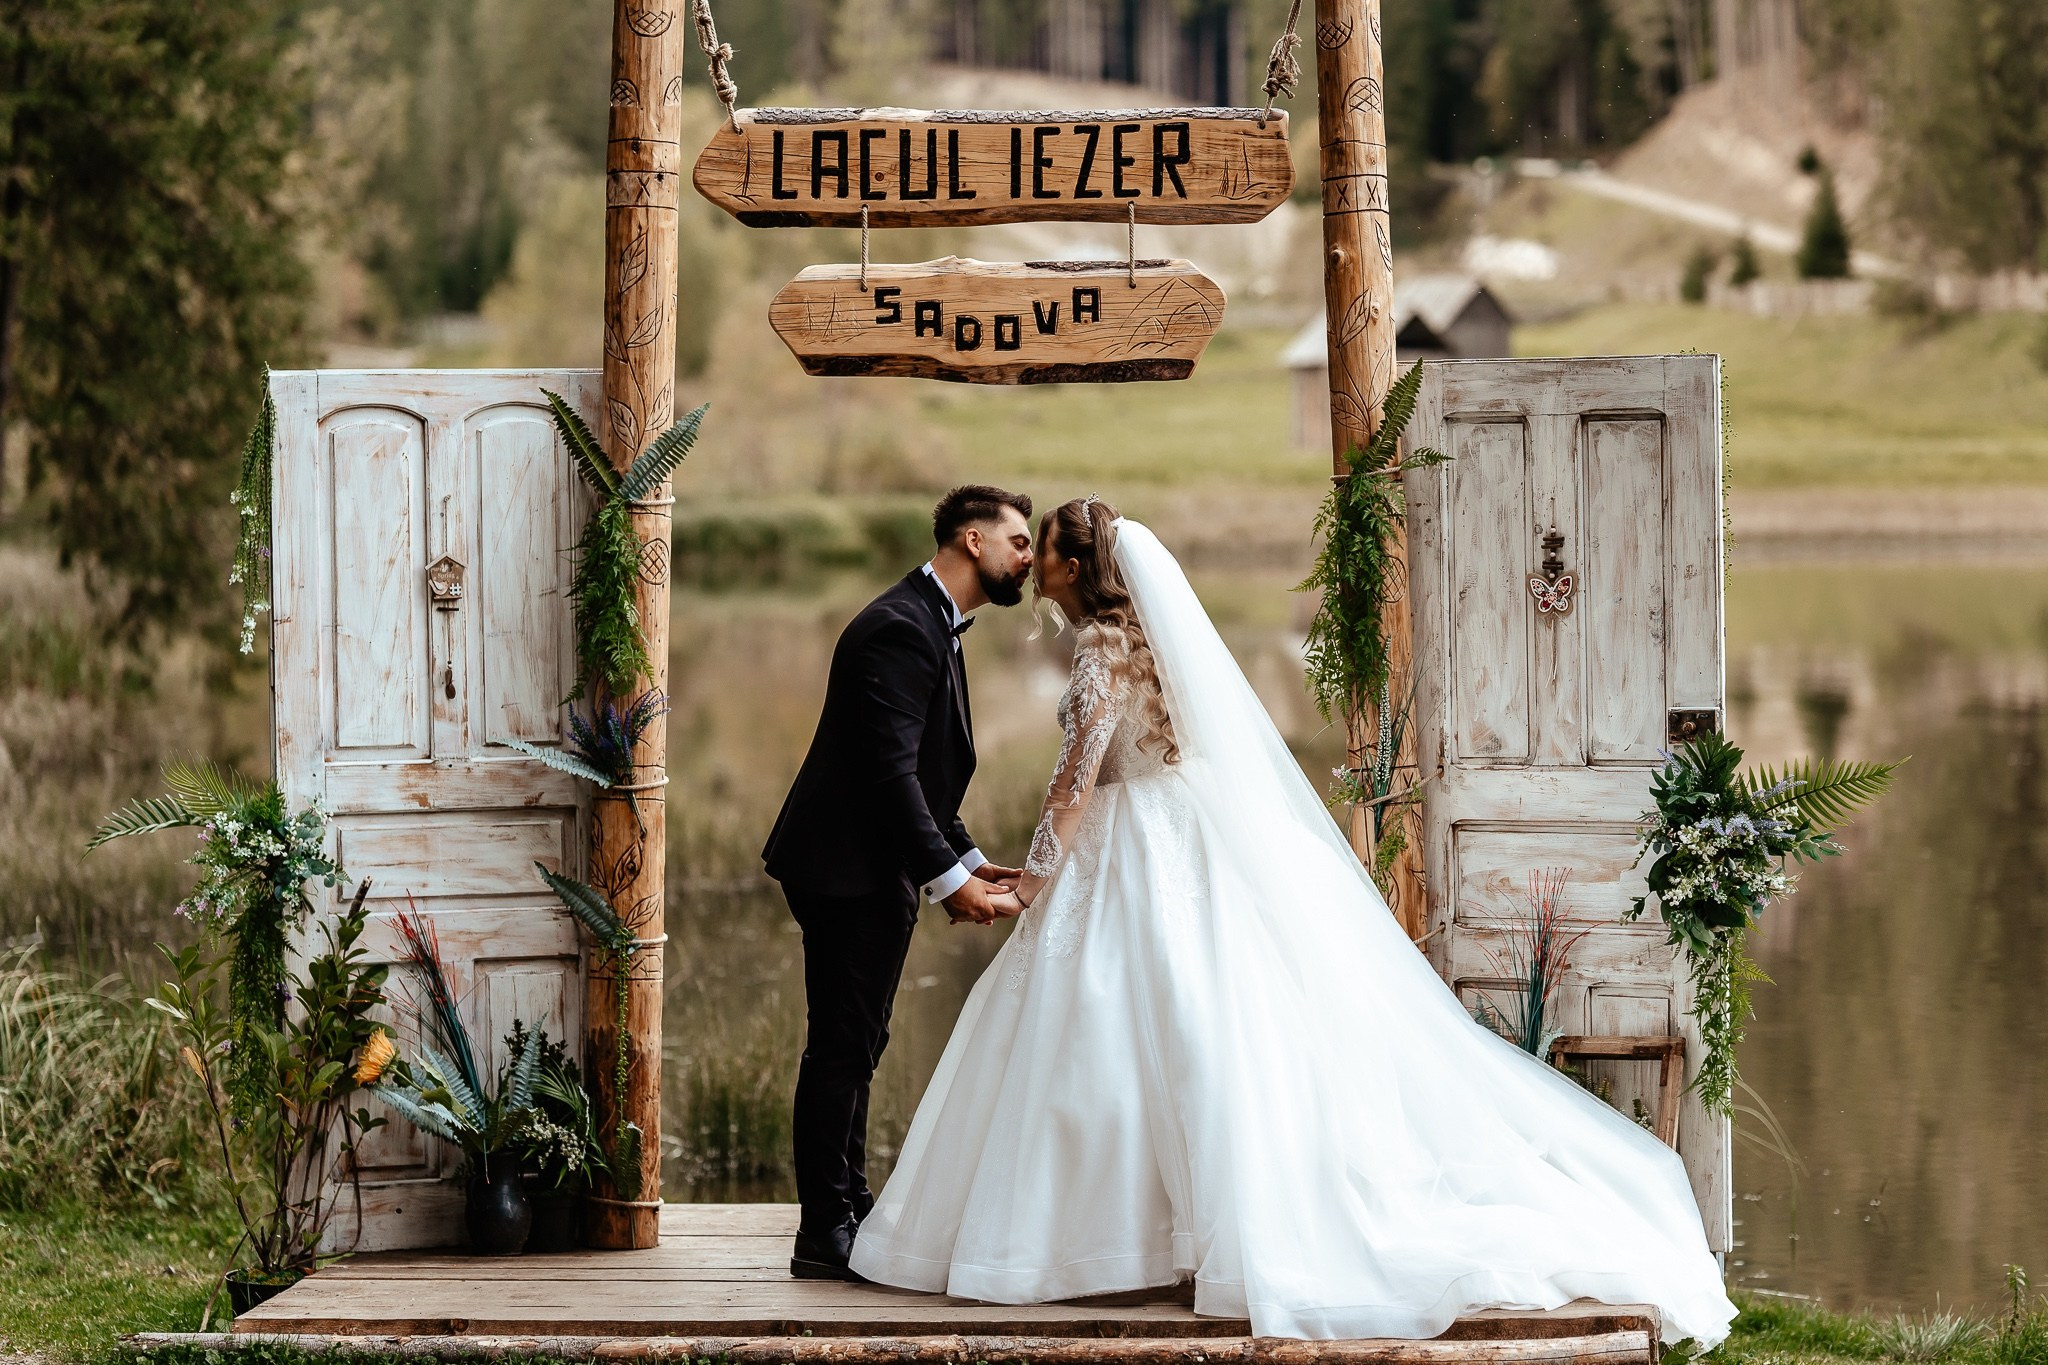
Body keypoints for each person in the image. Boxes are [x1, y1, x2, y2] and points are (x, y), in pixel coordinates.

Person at [846, 497, 1740, 1348]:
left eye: (1041, 546)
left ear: (1073, 567)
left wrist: (1032, 886)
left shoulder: (1094, 658)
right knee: (1197, 1029)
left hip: (1124, 846)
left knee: (1108, 1030)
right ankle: (1176, 1233)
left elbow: (1071, 790)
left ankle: (1104, 1239)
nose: (1032, 560)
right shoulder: (1145, 647)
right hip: (1177, 831)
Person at [761, 485, 1033, 1281]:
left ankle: (849, 1204)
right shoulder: (900, 627)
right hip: (846, 867)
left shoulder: (930, 622)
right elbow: (888, 777)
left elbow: (920, 771)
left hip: (869, 862)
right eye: (1018, 540)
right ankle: (825, 1230)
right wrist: (951, 882)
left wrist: (969, 857)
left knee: (860, 1042)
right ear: (973, 540)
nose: (1027, 555)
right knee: (842, 1047)